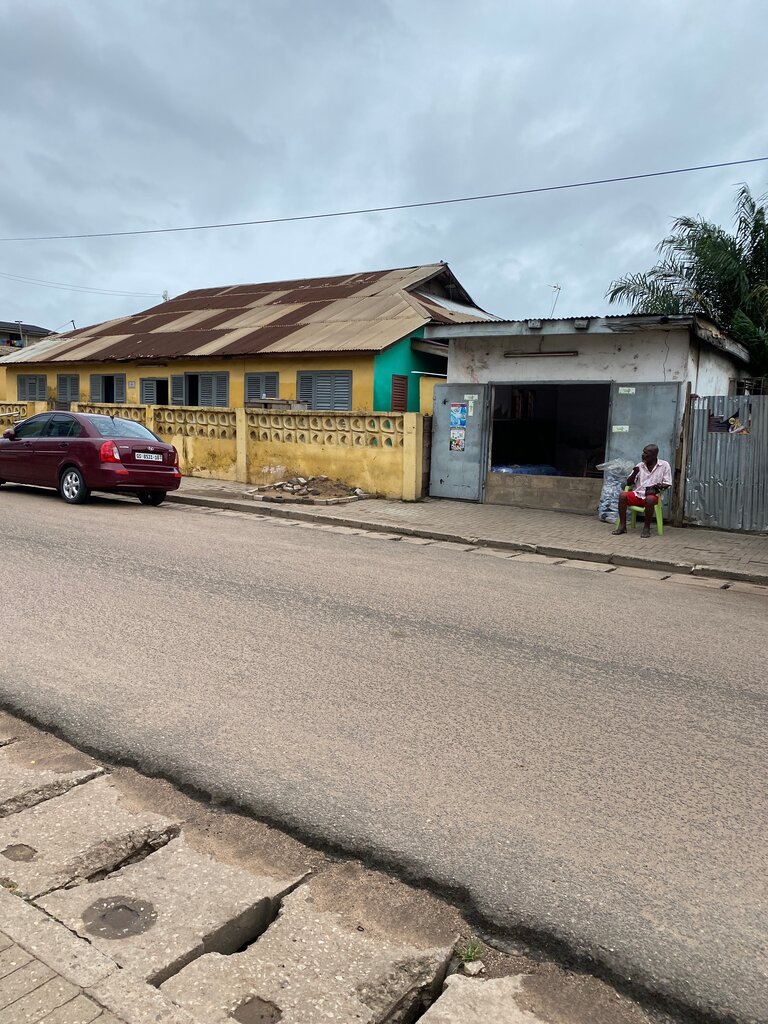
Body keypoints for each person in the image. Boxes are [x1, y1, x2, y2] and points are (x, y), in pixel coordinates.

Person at [611, 444, 672, 538]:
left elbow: (668, 483)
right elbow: (628, 483)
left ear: (654, 455)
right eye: (643, 452)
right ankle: (622, 526)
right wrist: (635, 473)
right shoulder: (640, 465)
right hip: (638, 494)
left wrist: (659, 486)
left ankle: (646, 528)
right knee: (623, 495)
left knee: (650, 499)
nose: (642, 455)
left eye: (646, 453)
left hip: (652, 496)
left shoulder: (664, 465)